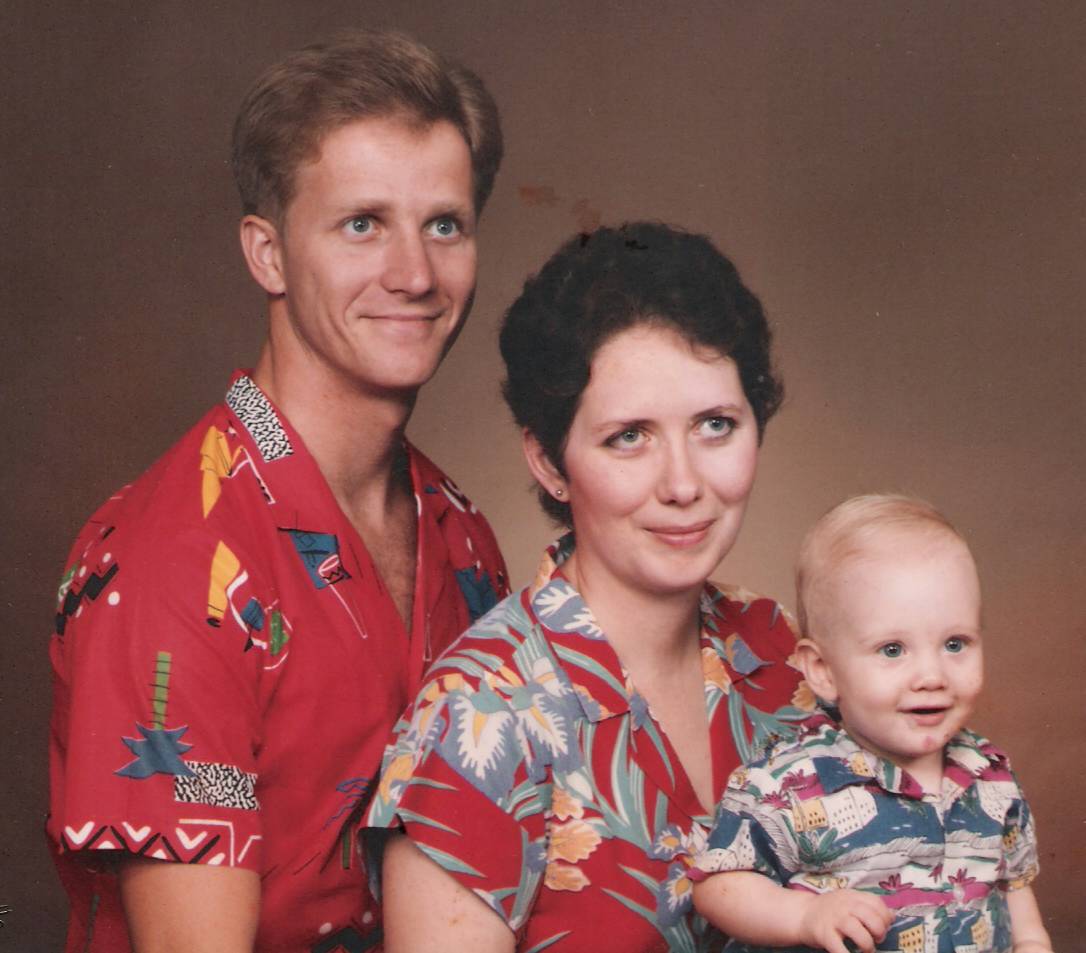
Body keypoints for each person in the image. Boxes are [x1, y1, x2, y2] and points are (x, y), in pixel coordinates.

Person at [47, 28, 507, 953]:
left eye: (444, 224)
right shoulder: (173, 563)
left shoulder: (462, 533)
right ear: (266, 254)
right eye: (362, 224)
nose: (414, 274)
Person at [366, 221, 816, 951]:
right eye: (628, 436)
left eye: (715, 424)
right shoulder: (476, 719)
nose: (683, 483)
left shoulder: (780, 652)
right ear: (548, 461)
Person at [690, 494, 1053, 953]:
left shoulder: (992, 777)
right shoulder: (788, 783)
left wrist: (1032, 942)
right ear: (822, 670)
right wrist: (805, 915)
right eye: (892, 650)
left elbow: (1014, 887)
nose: (931, 676)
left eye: (955, 643)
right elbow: (718, 886)